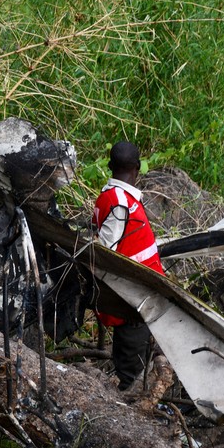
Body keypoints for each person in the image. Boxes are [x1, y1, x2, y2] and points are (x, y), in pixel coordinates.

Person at [92, 141, 165, 390]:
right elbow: (106, 254)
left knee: (140, 364)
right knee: (130, 375)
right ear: (138, 167)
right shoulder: (120, 202)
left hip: (140, 299)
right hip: (133, 302)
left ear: (111, 166)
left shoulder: (115, 198)